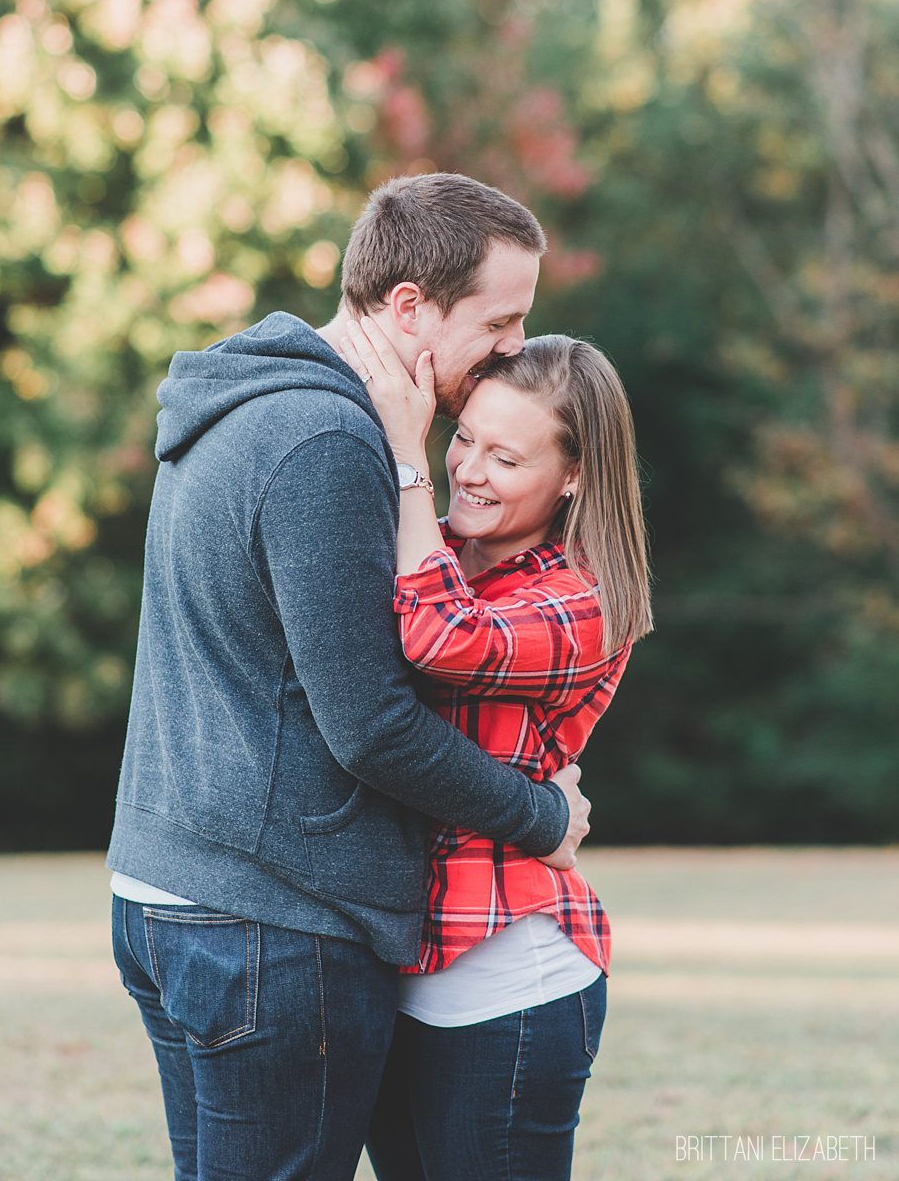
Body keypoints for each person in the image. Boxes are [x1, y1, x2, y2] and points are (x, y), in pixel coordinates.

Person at [106, 173, 591, 1181]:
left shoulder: (245, 403)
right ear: (407, 304)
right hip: (272, 923)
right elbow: (368, 722)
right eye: (497, 320)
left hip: (169, 886)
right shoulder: (328, 439)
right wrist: (539, 813)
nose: (512, 347)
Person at [336, 317, 652, 1181]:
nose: (468, 470)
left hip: (505, 976)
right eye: (462, 438)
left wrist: (404, 454)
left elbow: (442, 640)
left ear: (575, 475)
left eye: (506, 460)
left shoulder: (583, 598)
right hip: (398, 962)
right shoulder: (437, 548)